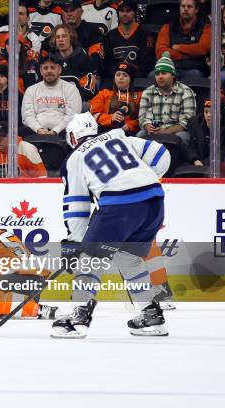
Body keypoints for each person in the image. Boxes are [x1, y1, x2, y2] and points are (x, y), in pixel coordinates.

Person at [51, 112, 171, 338]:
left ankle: (79, 317)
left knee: (89, 259)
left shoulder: (74, 158)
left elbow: (76, 205)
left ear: (73, 137)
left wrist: (74, 243)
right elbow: (160, 154)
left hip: (120, 207)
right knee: (129, 258)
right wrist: (139, 178)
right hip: (154, 199)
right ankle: (150, 315)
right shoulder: (119, 137)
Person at [137, 52, 196, 146]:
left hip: (176, 132)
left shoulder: (186, 91)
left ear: (173, 75)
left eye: (164, 73)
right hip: (153, 131)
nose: (160, 76)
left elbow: (187, 121)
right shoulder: (147, 92)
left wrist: (167, 131)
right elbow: (143, 117)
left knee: (183, 136)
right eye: (157, 74)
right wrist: (148, 126)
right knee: (140, 135)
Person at [21, 55, 82, 136]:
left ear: (59, 70)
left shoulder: (71, 89)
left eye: (52, 67)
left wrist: (56, 130)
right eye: (45, 68)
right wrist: (38, 129)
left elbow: (73, 115)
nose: (49, 71)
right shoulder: (31, 90)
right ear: (41, 71)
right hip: (35, 132)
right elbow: (27, 116)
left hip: (64, 132)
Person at [155, 0, 211, 79]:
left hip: (194, 69)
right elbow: (160, 52)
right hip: (170, 68)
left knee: (194, 75)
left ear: (197, 9)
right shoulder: (167, 27)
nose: (185, 9)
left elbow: (202, 49)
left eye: (189, 6)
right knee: (153, 75)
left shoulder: (206, 28)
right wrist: (185, 55)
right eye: (183, 6)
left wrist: (178, 47)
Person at [104, 0, 155, 79]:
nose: (124, 14)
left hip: (138, 78)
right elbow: (108, 63)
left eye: (128, 11)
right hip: (116, 78)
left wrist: (129, 71)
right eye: (122, 11)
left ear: (134, 12)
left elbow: (147, 62)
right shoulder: (110, 35)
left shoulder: (145, 34)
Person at [89, 62, 141, 134]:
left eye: (125, 75)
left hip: (128, 134)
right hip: (104, 131)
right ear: (114, 78)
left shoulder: (139, 96)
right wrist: (110, 118)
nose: (121, 77)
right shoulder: (104, 93)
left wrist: (129, 125)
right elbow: (93, 115)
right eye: (118, 75)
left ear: (130, 79)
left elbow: (143, 119)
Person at [49, 24, 97, 102]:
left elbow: (88, 89)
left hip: (76, 103)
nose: (60, 39)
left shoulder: (83, 59)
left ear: (71, 38)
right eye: (58, 37)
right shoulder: (49, 60)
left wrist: (69, 100)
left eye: (64, 36)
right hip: (53, 103)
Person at [60, 0, 105, 79]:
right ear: (62, 14)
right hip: (61, 75)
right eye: (66, 11)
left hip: (85, 75)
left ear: (81, 12)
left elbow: (95, 59)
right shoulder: (57, 32)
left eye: (72, 10)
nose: (69, 14)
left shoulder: (93, 30)